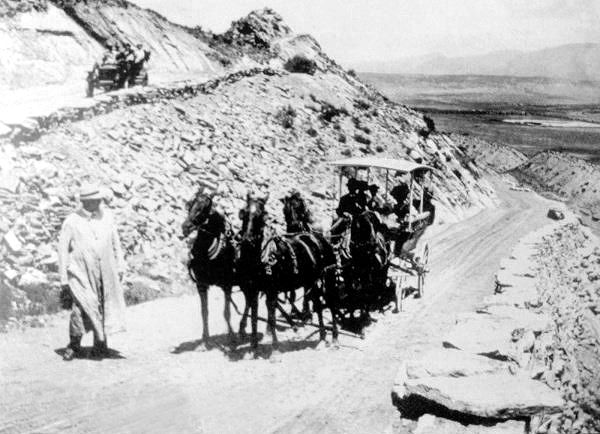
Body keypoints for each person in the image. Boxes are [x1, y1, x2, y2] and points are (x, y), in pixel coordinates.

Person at [58, 184, 126, 361]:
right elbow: (63, 250)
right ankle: (74, 345)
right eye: (95, 200)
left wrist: (120, 265)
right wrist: (63, 278)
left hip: (105, 271)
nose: (99, 203)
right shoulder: (72, 221)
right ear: (85, 202)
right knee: (80, 307)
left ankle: (100, 344)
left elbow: (116, 243)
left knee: (102, 305)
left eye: (99, 200)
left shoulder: (107, 218)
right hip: (80, 272)